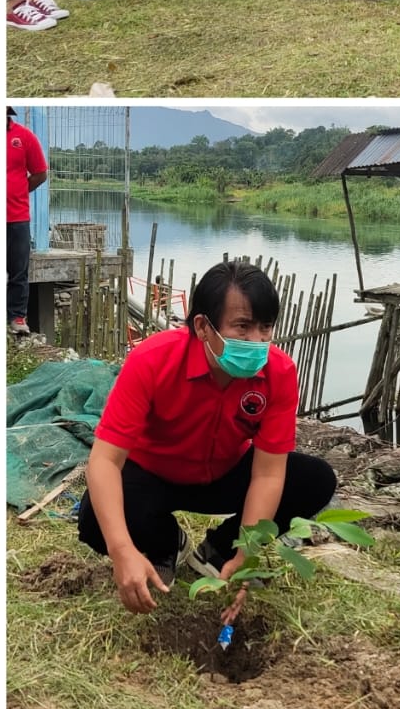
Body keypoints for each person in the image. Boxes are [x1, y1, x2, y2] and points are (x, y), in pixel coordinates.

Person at [78, 261, 338, 614]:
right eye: (242, 327)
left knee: (313, 479)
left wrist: (248, 553)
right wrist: (122, 552)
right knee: (96, 517)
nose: (257, 342)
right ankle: (167, 545)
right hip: (155, 474)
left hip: (224, 473)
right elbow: (105, 460)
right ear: (202, 326)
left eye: (266, 328)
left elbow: (267, 473)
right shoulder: (151, 361)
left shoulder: (278, 372)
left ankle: (218, 551)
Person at [7, 107, 47, 338]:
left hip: (17, 217)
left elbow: (40, 173)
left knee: (18, 271)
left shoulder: (24, 137)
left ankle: (17, 317)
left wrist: (20, 190)